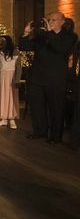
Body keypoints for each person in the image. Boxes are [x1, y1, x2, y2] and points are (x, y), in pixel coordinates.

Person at [19, 13, 77, 144]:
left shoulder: (70, 37)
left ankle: (55, 137)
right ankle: (40, 132)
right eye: (49, 20)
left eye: (53, 20)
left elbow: (60, 48)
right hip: (37, 77)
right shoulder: (42, 35)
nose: (50, 22)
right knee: (37, 106)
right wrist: (25, 33)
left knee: (56, 108)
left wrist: (50, 33)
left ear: (62, 22)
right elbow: (25, 47)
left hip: (55, 78)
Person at [0, 35, 22, 129]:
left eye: (2, 42)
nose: (0, 44)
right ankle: (4, 118)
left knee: (11, 98)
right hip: (1, 77)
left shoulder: (15, 52)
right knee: (2, 97)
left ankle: (12, 119)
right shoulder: (0, 52)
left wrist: (17, 79)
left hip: (11, 78)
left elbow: (18, 67)